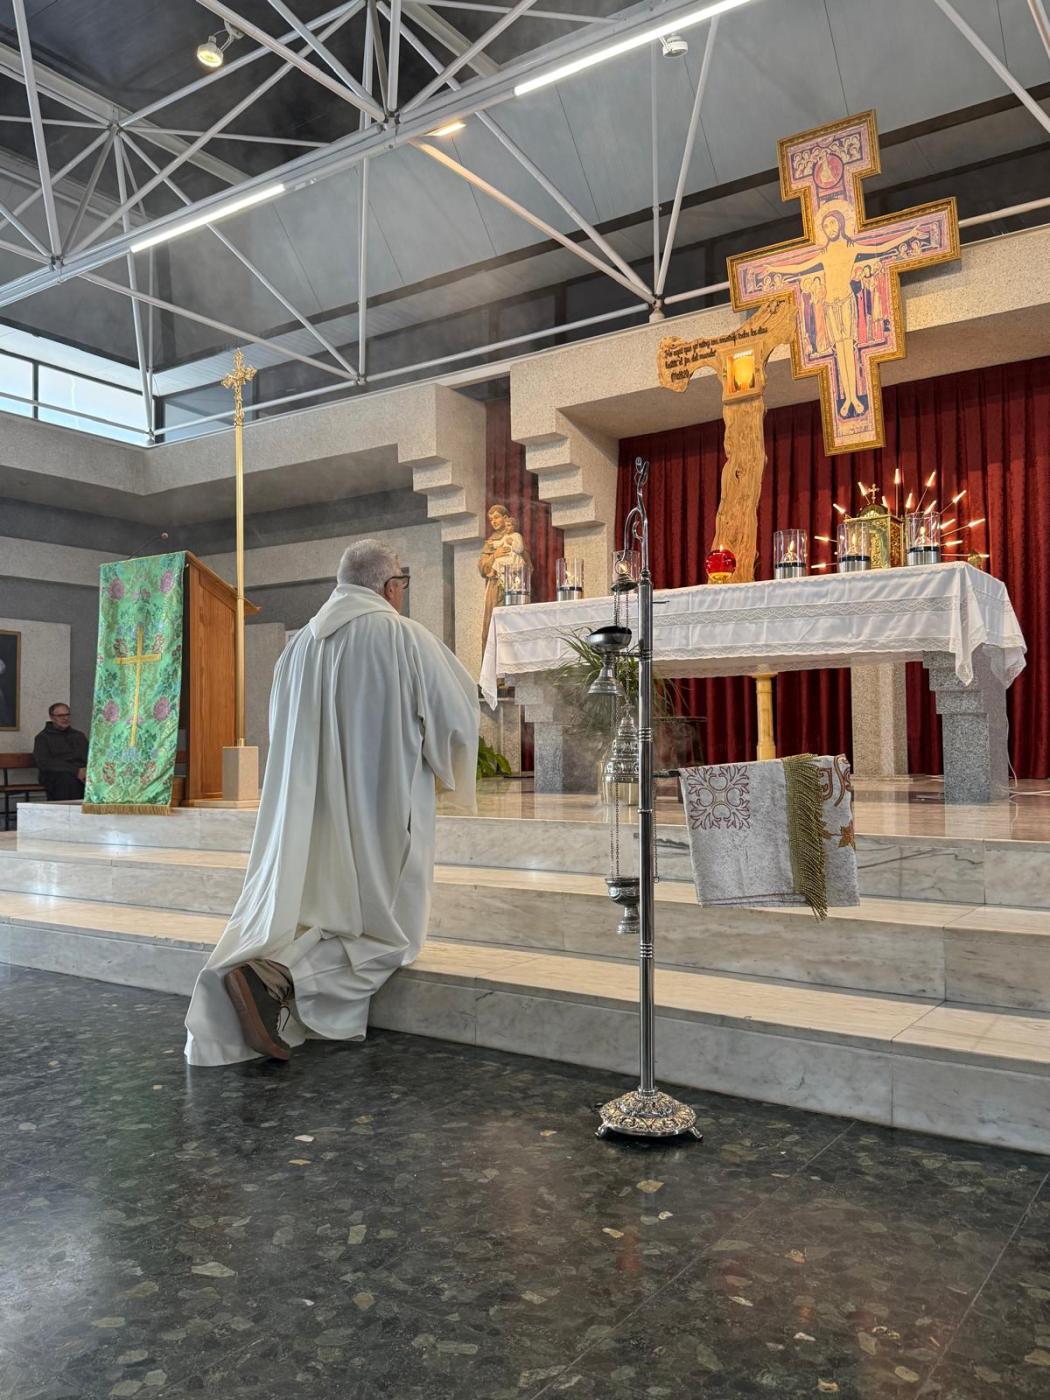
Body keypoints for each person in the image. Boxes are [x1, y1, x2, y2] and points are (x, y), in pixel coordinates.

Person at [184, 539, 480, 1066]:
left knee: (320, 911)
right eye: (402, 586)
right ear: (392, 587)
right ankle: (279, 977)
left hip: (307, 816)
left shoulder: (297, 647)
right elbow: (457, 721)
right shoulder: (403, 635)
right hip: (378, 812)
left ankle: (270, 970)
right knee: (386, 935)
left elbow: (282, 730)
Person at [32, 703, 89, 800]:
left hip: (82, 772)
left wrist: (87, 770)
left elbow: (90, 756)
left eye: (67, 715)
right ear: (52, 717)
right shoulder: (43, 738)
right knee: (67, 780)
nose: (65, 718)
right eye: (60, 716)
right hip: (56, 774)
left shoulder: (79, 736)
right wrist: (75, 771)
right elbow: (44, 763)